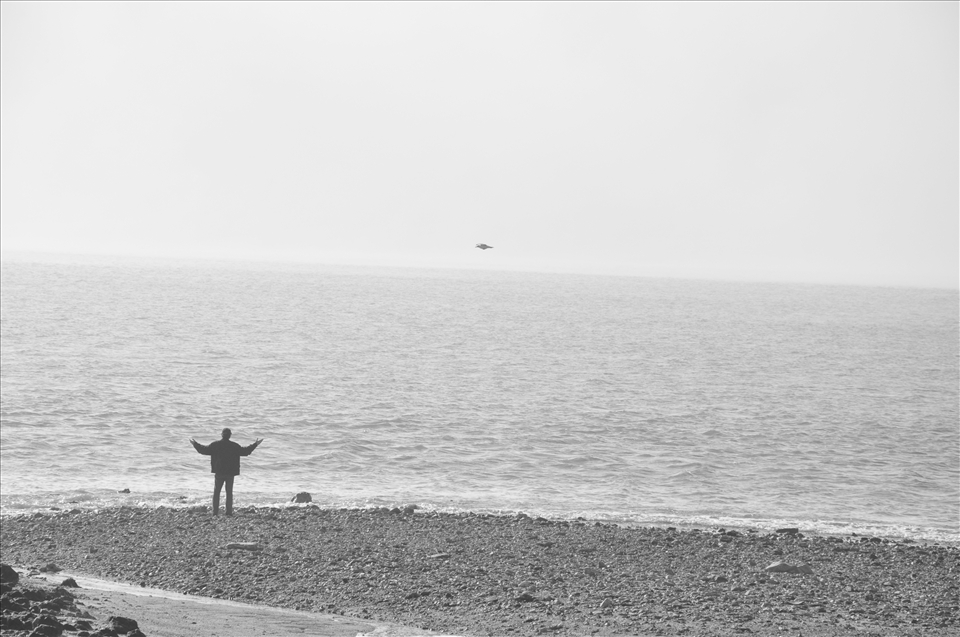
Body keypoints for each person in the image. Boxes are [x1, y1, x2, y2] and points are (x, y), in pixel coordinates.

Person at [190, 428, 263, 516]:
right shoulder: (234, 446)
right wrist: (255, 444)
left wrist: (195, 444)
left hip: (219, 471)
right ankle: (228, 513)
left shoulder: (215, 445)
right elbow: (246, 451)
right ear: (230, 435)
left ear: (222, 435)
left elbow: (203, 450)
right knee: (229, 493)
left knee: (216, 492)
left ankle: (215, 512)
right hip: (230, 472)